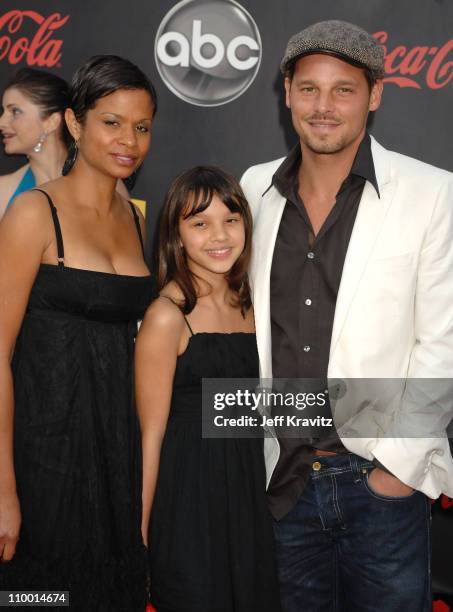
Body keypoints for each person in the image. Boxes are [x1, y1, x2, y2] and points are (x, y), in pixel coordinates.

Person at [240, 19, 453, 612]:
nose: (323, 107)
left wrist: (396, 472)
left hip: (378, 483)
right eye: (309, 88)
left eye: (344, 90)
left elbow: (443, 342)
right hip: (280, 481)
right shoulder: (254, 189)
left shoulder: (433, 193)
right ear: (286, 93)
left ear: (375, 95)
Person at [0, 55, 157, 610]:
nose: (128, 140)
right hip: (43, 455)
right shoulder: (33, 214)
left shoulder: (137, 219)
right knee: (42, 598)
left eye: (141, 127)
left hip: (116, 451)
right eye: (111, 122)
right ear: (74, 122)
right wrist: (3, 489)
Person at [136, 166, 281, 612]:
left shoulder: (256, 306)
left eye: (231, 219)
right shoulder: (167, 315)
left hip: (248, 494)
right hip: (188, 499)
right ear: (177, 235)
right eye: (200, 223)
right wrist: (139, 535)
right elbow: (151, 435)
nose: (219, 235)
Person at [0, 68, 70, 218]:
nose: (1, 122)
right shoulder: (4, 192)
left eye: (15, 111)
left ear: (51, 122)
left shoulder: (101, 185)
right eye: (3, 112)